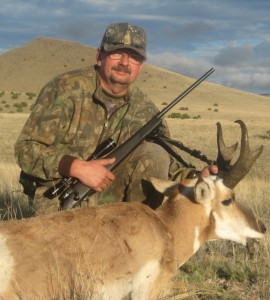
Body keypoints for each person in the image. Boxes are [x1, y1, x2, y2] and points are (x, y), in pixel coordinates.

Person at [15, 22, 217, 215]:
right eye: (117, 53)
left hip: (110, 195)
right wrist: (76, 167)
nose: (124, 63)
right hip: (58, 196)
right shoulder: (64, 89)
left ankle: (137, 232)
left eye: (133, 57)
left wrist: (197, 177)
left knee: (155, 153)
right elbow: (25, 150)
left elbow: (167, 164)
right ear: (100, 56)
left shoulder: (146, 111)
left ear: (141, 66)